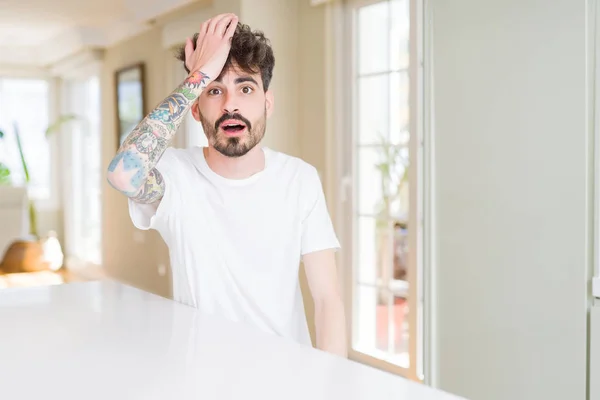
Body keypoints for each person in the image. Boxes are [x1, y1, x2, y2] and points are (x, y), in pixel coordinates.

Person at [106, 13, 347, 357]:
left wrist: (335, 385)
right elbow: (123, 174)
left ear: (268, 102)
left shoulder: (300, 179)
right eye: (213, 91)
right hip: (201, 382)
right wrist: (196, 77)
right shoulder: (176, 176)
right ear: (194, 108)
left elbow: (327, 298)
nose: (230, 104)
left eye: (245, 88)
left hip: (289, 379)